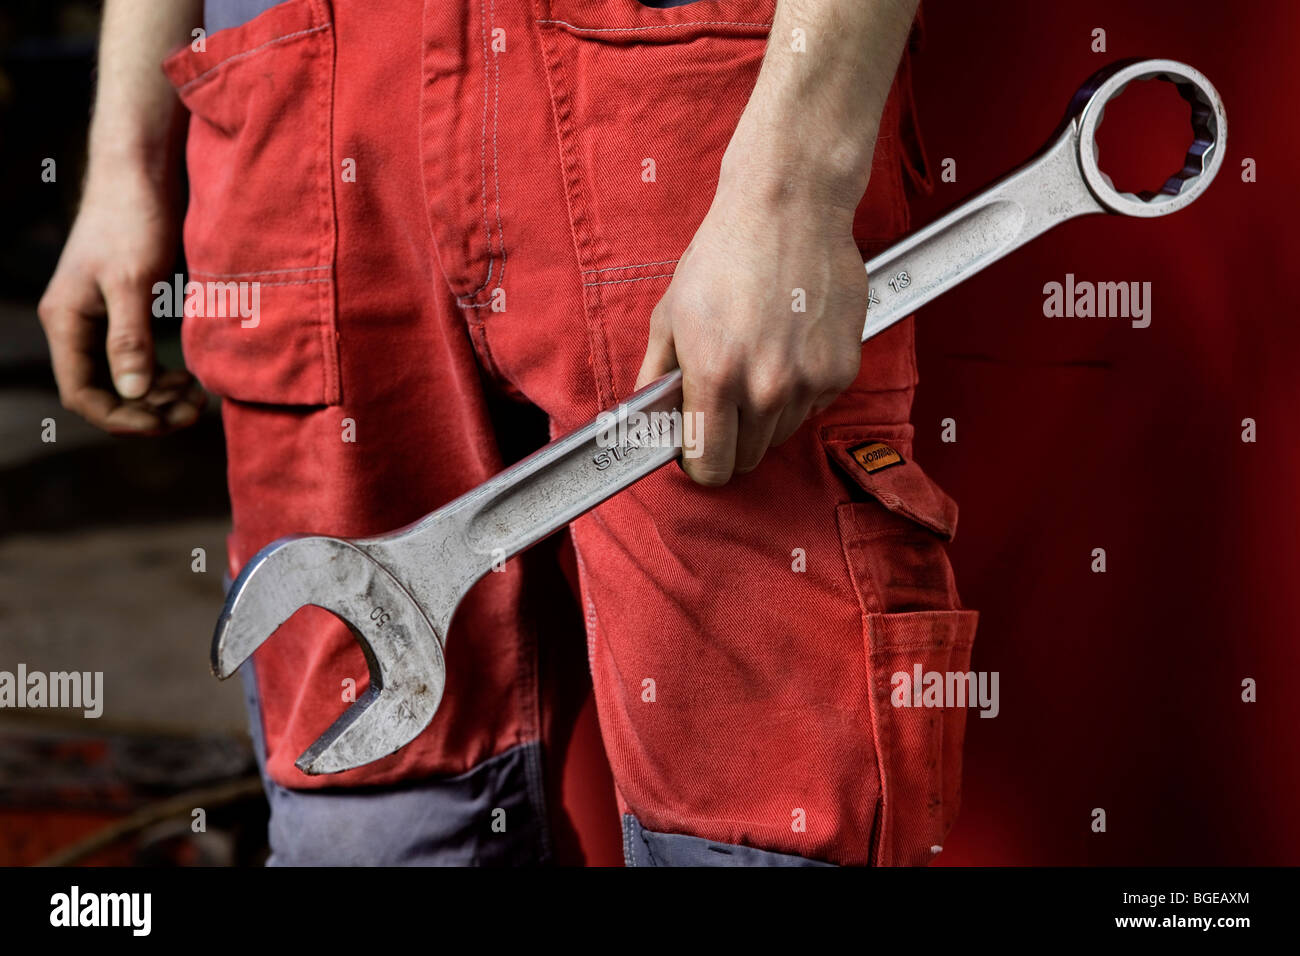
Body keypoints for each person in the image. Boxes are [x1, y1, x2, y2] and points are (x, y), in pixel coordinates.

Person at [39, 0, 976, 866]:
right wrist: (125, 162)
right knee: (369, 827)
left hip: (664, 82)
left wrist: (795, 179)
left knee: (760, 817)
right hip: (290, 105)